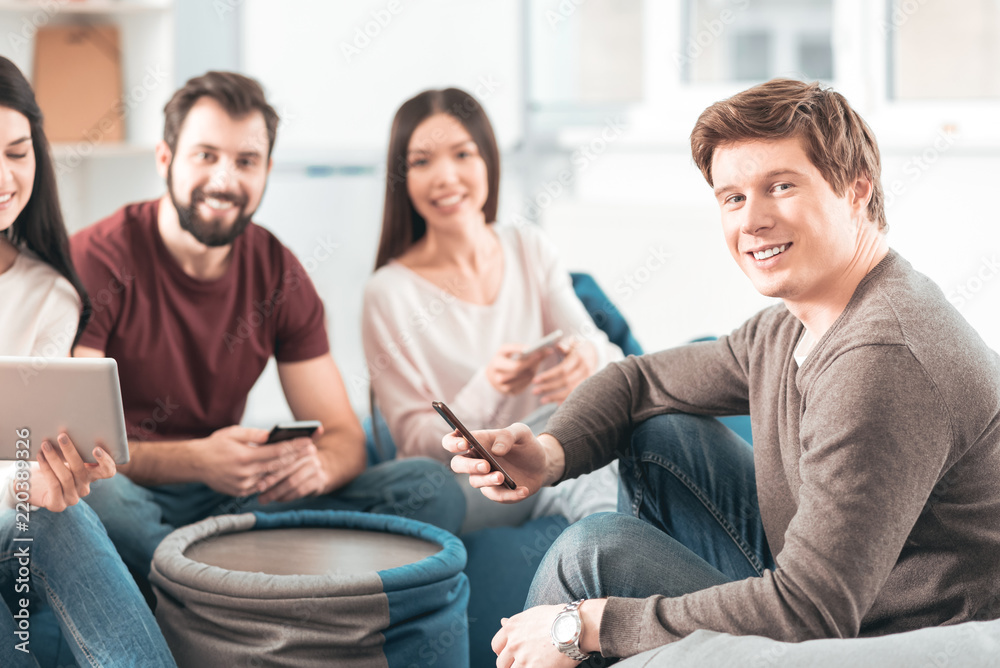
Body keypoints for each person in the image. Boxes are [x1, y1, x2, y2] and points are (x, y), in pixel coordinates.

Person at [446, 79, 1000, 665]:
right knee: (661, 430)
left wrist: (585, 625)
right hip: (832, 594)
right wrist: (552, 453)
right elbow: (639, 382)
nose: (752, 220)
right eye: (732, 197)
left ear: (856, 191)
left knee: (588, 558)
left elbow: (810, 611)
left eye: (780, 187)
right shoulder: (795, 323)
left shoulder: (882, 362)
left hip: (878, 639)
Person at [70, 72, 465, 583]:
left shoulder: (278, 271)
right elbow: (81, 445)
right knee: (96, 494)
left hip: (234, 497)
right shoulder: (98, 258)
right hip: (135, 489)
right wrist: (197, 459)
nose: (225, 180)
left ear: (267, 170)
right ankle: (220, 584)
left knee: (430, 486)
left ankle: (205, 577)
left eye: (246, 162)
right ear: (165, 159)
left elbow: (344, 437)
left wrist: (318, 467)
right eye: (206, 155)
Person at [363, 87, 623, 531]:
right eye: (422, 162)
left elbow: (611, 360)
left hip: (546, 456)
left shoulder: (527, 247)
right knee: (571, 432)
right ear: (402, 177)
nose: (446, 176)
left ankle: (609, 577)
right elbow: (418, 444)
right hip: (470, 480)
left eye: (463, 154)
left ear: (487, 160)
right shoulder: (387, 293)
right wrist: (489, 386)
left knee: (601, 433)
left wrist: (587, 360)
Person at [0, 56, 174, 667]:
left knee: (60, 513)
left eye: (18, 151)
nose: (4, 177)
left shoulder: (51, 293)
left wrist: (56, 472)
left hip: (10, 519)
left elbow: (32, 451)